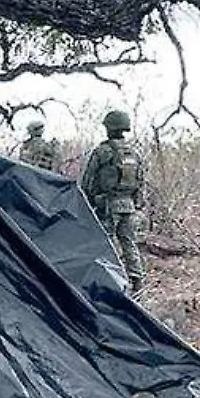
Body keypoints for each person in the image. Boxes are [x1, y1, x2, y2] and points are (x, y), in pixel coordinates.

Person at [80, 109, 146, 292]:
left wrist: (88, 201)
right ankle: (137, 280)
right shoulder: (134, 153)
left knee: (105, 243)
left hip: (108, 205)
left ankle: (108, 281)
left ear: (109, 128)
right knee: (128, 242)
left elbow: (87, 180)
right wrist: (136, 203)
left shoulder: (103, 151)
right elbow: (141, 182)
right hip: (128, 206)